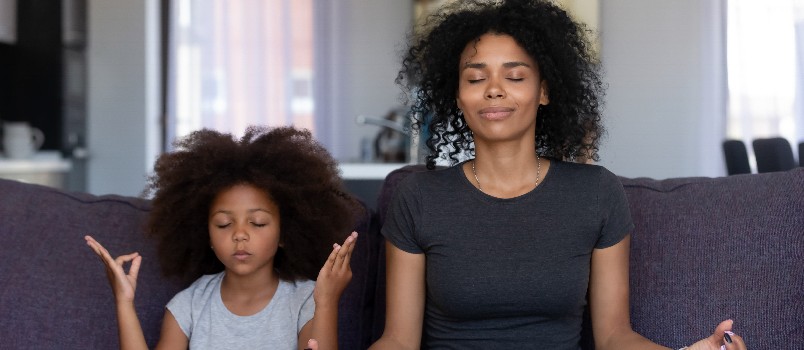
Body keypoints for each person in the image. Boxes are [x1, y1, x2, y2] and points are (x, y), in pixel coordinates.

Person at [370, 1, 747, 349]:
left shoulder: (596, 193)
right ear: (457, 96)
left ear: (544, 91)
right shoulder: (418, 197)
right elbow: (398, 341)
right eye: (475, 79)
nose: (494, 90)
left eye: (515, 76)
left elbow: (615, 336)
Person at [85, 126, 361, 350]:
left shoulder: (306, 299)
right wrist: (124, 301)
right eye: (224, 224)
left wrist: (327, 300)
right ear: (205, 233)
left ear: (285, 234)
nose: (239, 234)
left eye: (257, 222)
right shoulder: (190, 304)